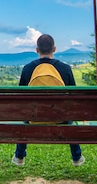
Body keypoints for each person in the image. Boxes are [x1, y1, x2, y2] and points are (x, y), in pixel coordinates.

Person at [11, 34, 86, 167]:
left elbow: (21, 98)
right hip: (61, 118)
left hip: (33, 118)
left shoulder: (27, 69)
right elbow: (74, 97)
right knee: (71, 120)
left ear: (37, 50)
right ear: (54, 49)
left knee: (24, 119)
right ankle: (76, 157)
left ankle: (19, 156)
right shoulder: (65, 68)